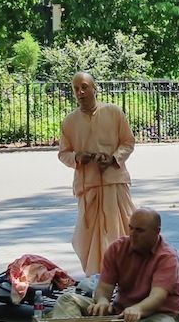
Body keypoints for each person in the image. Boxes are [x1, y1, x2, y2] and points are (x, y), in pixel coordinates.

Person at [49, 208, 179, 322]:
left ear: (157, 231)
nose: (132, 234)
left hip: (156, 315)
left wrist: (137, 309)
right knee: (67, 300)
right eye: (130, 228)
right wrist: (102, 301)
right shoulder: (117, 248)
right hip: (120, 313)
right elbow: (104, 288)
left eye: (139, 230)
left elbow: (157, 297)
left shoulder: (167, 257)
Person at [57, 71, 136, 275]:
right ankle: (97, 278)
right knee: (87, 238)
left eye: (84, 87)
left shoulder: (114, 112)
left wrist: (112, 158)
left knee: (121, 230)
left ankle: (124, 274)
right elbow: (63, 153)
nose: (80, 92)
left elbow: (128, 142)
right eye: (76, 89)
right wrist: (77, 157)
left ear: (94, 88)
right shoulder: (69, 122)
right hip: (88, 185)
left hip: (114, 183)